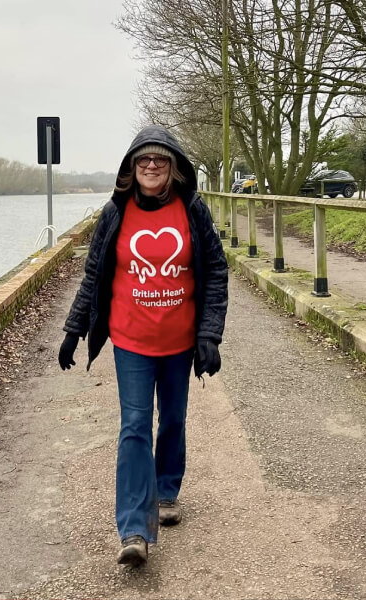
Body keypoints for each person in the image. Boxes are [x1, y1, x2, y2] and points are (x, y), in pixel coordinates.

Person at [58, 125, 228, 566]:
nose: (151, 166)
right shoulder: (115, 214)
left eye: (160, 160)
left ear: (173, 167)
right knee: (134, 425)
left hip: (178, 340)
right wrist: (73, 330)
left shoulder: (193, 211)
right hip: (131, 340)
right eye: (143, 160)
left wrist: (209, 334)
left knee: (171, 418)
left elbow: (215, 271)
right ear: (131, 169)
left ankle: (167, 487)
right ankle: (134, 528)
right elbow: (94, 274)